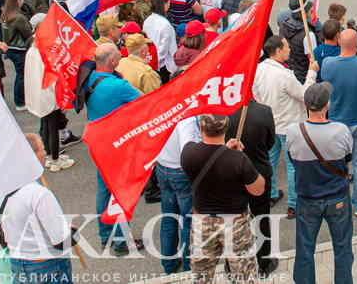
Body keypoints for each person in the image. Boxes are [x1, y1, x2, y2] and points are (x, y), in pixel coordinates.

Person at [181, 114, 264, 282]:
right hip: (235, 224)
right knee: (244, 275)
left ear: (201, 128)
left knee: (201, 276)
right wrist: (238, 158)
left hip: (202, 223)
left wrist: (225, 151)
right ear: (226, 128)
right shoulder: (238, 160)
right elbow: (258, 190)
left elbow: (211, 162)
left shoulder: (188, 153)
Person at [287, 82, 354, 284]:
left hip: (307, 199)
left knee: (305, 251)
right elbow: (347, 159)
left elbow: (292, 160)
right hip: (337, 198)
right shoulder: (341, 130)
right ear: (327, 105)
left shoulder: (293, 131)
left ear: (306, 105)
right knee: (342, 249)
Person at [85, 44, 144, 255]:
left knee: (104, 189)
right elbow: (146, 102)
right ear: (111, 62)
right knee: (119, 192)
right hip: (115, 144)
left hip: (96, 141)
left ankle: (106, 236)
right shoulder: (119, 86)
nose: (122, 54)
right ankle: (120, 241)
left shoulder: (89, 78)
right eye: (118, 54)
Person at [253, 35, 317, 218]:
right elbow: (305, 95)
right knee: (292, 165)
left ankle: (271, 194)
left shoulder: (259, 69)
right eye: (287, 47)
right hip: (289, 126)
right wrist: (311, 72)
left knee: (270, 161)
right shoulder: (283, 76)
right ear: (279, 51)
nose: (290, 49)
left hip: (269, 124)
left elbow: (255, 94)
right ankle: (293, 203)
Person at [320, 28, 357, 217]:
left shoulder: (328, 64)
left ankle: (336, 202)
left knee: (336, 162)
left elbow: (325, 86)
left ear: (339, 41)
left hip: (337, 122)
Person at [4, 133, 77, 284]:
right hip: (47, 267)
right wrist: (73, 231)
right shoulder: (39, 194)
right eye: (42, 149)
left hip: (18, 265)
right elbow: (60, 241)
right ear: (31, 157)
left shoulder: (0, 192)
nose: (45, 153)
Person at [227, 98, 278, 276]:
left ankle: (231, 264)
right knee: (261, 216)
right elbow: (270, 141)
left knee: (232, 219)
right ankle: (264, 262)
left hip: (232, 173)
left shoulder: (222, 111)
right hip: (259, 170)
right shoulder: (264, 111)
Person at [25, 14, 75, 172]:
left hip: (39, 93)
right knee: (52, 126)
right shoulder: (42, 49)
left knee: (46, 124)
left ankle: (48, 155)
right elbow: (50, 73)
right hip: (48, 93)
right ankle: (55, 159)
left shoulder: (32, 46)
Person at [155, 115, 201, 275]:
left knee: (168, 217)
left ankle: (169, 264)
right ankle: (188, 267)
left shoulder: (157, 107)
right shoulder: (184, 117)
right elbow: (187, 152)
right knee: (189, 221)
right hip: (180, 171)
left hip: (162, 166)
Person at [1, 0, 33, 111]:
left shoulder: (5, 15)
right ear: (18, 1)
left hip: (11, 49)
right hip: (20, 49)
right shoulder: (19, 18)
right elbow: (28, 33)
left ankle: (20, 100)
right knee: (21, 76)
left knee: (19, 75)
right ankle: (20, 102)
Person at [280, 0, 322, 82]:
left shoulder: (284, 25)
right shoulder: (308, 35)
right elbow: (313, 62)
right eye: (311, 11)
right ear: (305, 11)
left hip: (289, 75)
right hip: (304, 79)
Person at [144, 0, 178, 81]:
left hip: (150, 61)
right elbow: (164, 49)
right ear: (164, 4)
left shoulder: (147, 20)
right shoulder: (165, 25)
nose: (169, 5)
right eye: (168, 2)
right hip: (162, 66)